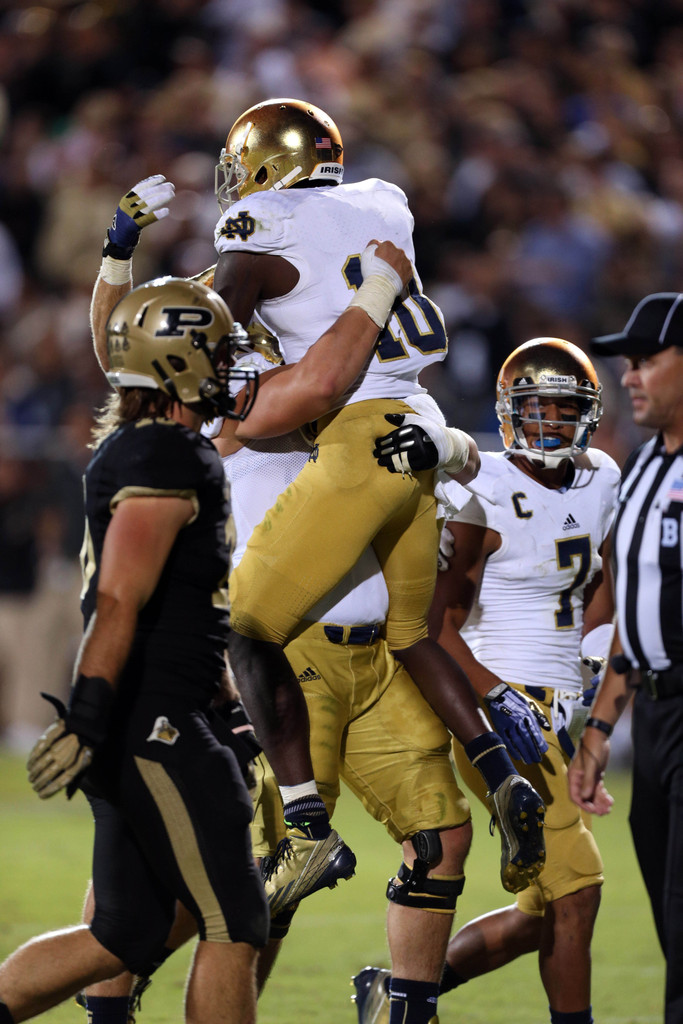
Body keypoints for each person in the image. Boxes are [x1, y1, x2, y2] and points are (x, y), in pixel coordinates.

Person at [85, 178, 473, 1024]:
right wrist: (373, 290)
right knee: (191, 892)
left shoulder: (220, 378)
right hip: (216, 664)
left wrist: (444, 440)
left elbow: (340, 398)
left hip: (257, 656)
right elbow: (324, 383)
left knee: (211, 888)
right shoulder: (235, 396)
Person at [210, 97, 548, 911]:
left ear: (264, 163)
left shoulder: (255, 221)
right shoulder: (382, 197)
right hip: (420, 429)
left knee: (245, 627)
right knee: (415, 631)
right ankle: (501, 775)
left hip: (360, 444)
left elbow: (215, 325)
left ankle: (305, 828)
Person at [0, 276, 269, 1024]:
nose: (228, 366)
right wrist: (89, 713)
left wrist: (225, 705)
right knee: (234, 919)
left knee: (125, 932)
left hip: (155, 713)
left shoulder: (146, 445)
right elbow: (121, 597)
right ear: (178, 362)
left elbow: (179, 607)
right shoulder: (166, 454)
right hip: (155, 721)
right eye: (216, 352)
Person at [356, 337, 619, 1024]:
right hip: (496, 702)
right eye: (536, 410)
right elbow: (432, 624)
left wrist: (590, 659)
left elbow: (602, 584)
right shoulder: (482, 489)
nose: (550, 425)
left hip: (563, 703)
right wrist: (497, 697)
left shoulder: (602, 478)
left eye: (565, 410)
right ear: (508, 413)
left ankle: (398, 996)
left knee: (542, 910)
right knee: (577, 889)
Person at [569, 293, 683, 1024]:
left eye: (646, 359)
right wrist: (601, 725)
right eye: (627, 361)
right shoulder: (641, 468)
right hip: (659, 717)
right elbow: (631, 615)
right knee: (672, 929)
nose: (629, 374)